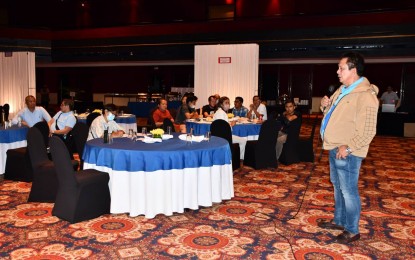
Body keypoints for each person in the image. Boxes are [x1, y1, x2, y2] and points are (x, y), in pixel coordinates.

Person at [318, 52, 379, 244]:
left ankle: (352, 230)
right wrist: (324, 105)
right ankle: (339, 221)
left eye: (341, 68)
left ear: (353, 69)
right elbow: (333, 115)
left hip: (347, 152)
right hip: (335, 147)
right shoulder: (343, 89)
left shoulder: (366, 96)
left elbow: (368, 130)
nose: (337, 71)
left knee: (348, 190)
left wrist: (350, 148)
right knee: (338, 187)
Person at [213, 96, 247, 161]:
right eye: (226, 103)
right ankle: (241, 161)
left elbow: (222, 125)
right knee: (243, 141)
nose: (228, 104)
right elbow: (225, 128)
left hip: (218, 136)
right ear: (221, 104)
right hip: (225, 137)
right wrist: (232, 124)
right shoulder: (222, 113)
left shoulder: (218, 112)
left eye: (228, 103)